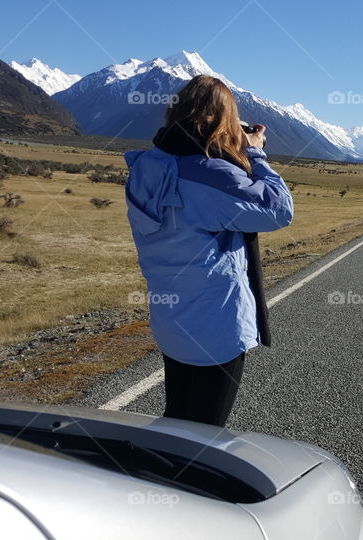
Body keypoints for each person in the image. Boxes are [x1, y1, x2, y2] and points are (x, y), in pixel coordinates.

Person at [123, 75, 293, 427]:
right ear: (222, 121)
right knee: (204, 433)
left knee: (176, 417)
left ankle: (152, 472)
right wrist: (255, 152)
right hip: (216, 327)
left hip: (171, 318)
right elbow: (279, 210)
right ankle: (172, 481)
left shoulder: (145, 167)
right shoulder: (213, 175)